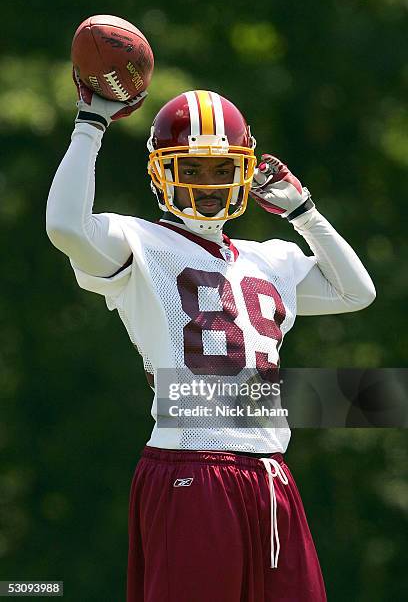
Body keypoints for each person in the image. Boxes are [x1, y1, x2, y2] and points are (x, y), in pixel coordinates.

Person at [46, 77, 376, 602]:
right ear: (162, 173)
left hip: (270, 473)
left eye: (223, 169)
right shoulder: (139, 242)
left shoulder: (272, 257)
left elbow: (357, 292)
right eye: (191, 168)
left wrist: (305, 214)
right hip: (190, 468)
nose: (208, 182)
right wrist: (91, 125)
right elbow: (65, 226)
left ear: (245, 173)